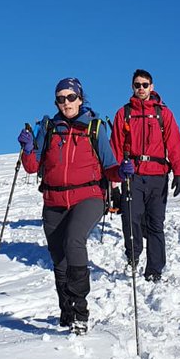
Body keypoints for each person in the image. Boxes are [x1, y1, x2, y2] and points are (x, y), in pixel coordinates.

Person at [17, 77, 122, 334]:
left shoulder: (94, 127)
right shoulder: (49, 128)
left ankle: (80, 311)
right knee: (58, 257)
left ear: (80, 98)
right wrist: (27, 148)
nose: (66, 103)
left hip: (89, 196)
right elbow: (32, 167)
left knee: (74, 240)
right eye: (61, 99)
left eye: (71, 97)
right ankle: (66, 308)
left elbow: (110, 167)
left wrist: (123, 172)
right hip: (53, 199)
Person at [111, 69, 180, 282]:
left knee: (155, 223)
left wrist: (179, 172)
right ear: (132, 87)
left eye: (145, 84)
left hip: (158, 175)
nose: (141, 88)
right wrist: (113, 181)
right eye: (137, 85)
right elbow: (116, 146)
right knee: (130, 218)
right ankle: (133, 257)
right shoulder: (124, 113)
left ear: (151, 87)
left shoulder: (164, 113)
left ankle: (155, 269)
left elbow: (174, 144)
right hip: (132, 175)